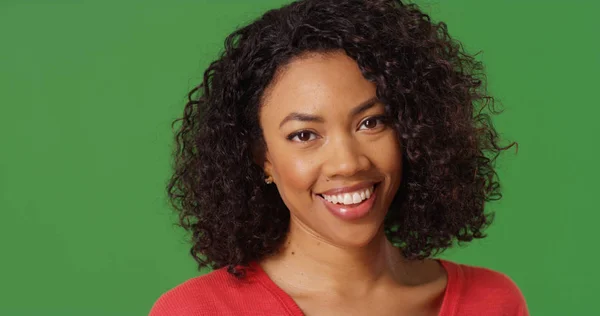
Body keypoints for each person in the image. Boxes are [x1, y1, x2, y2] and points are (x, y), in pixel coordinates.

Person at [150, 0, 528, 315]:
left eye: (371, 122)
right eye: (304, 135)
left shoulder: (492, 302)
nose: (348, 163)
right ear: (262, 157)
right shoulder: (196, 310)